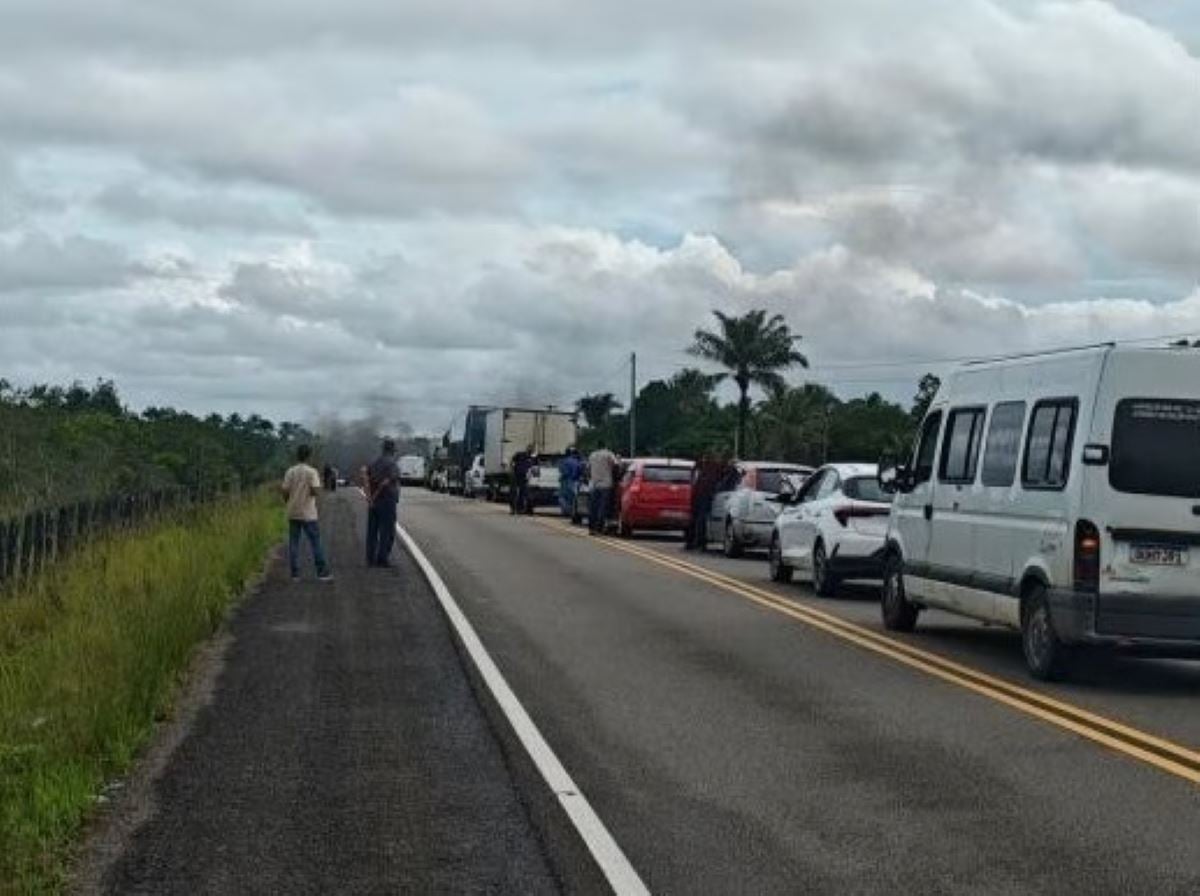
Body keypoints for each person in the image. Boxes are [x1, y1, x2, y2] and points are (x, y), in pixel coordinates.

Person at [280, 445, 332, 582]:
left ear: (297, 455)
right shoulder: (312, 472)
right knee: (315, 542)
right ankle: (322, 573)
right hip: (308, 513)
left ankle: (295, 574)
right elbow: (315, 491)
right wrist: (313, 492)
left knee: (294, 543)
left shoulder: (290, 471)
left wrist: (288, 501)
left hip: (293, 511)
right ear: (309, 456)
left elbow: (285, 491)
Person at [366, 438, 402, 567]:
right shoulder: (392, 464)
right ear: (392, 450)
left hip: (373, 501)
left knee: (372, 531)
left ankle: (370, 558)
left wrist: (369, 497)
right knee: (387, 531)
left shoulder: (373, 463)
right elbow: (391, 480)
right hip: (387, 500)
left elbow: (366, 479)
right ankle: (382, 558)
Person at [685, 452, 732, 551]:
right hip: (704, 495)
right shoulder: (714, 468)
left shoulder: (703, 467)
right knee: (699, 518)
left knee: (697, 518)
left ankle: (694, 542)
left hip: (700, 494)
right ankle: (697, 542)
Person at [586, 441, 620, 535]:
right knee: (602, 508)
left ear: (597, 446)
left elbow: (588, 469)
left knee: (593, 508)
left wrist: (590, 478)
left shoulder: (592, 455)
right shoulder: (609, 454)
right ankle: (599, 528)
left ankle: (591, 528)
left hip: (594, 484)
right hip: (606, 484)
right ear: (605, 446)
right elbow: (616, 465)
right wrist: (616, 478)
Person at [510, 444, 537, 515]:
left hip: (525, 477)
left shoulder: (532, 458)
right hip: (516, 476)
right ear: (527, 449)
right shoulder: (520, 454)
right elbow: (512, 462)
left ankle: (521, 509)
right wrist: (512, 470)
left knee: (524, 493)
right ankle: (513, 509)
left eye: (532, 449)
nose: (530, 450)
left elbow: (533, 468)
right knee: (514, 493)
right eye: (530, 448)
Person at [558, 447, 582, 517]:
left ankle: (566, 511)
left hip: (566, 481)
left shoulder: (564, 461)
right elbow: (579, 471)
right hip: (574, 482)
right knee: (572, 498)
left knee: (563, 497)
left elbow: (562, 471)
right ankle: (571, 511)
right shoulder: (577, 462)